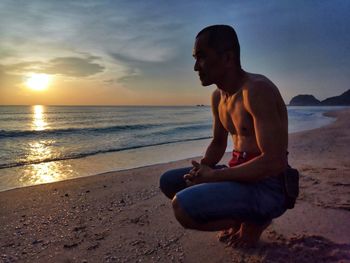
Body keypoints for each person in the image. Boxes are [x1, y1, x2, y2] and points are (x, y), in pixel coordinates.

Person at [159, 25, 290, 248]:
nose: (194, 67)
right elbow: (219, 143)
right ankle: (240, 211)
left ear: (227, 57)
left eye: (201, 57)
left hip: (268, 186)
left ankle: (255, 219)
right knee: (170, 182)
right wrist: (202, 169)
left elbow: (274, 162)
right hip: (238, 177)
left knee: (183, 207)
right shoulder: (218, 98)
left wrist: (215, 177)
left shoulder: (257, 91)